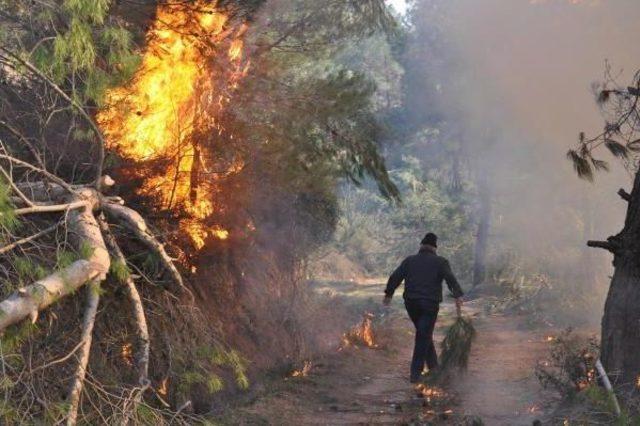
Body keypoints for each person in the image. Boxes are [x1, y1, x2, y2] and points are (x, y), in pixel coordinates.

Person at [383, 232, 464, 383]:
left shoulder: (409, 261)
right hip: (430, 304)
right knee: (423, 335)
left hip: (411, 304)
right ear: (435, 248)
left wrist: (388, 294)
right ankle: (415, 374)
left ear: (421, 246)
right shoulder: (441, 262)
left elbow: (395, 277)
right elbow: (450, 279)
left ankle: (434, 368)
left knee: (424, 333)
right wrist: (458, 295)